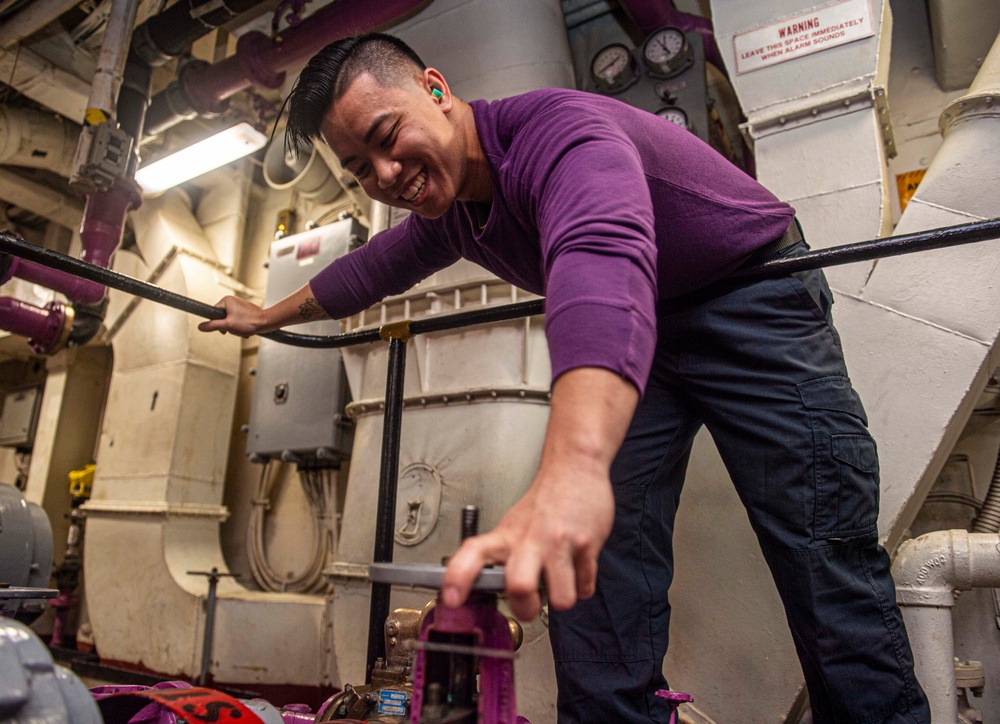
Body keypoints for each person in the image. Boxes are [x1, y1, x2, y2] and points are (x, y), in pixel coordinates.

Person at [199, 32, 930, 723]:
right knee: (594, 563)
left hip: (752, 297)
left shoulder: (562, 133)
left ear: (435, 89)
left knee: (820, 555)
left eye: (387, 138)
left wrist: (575, 466)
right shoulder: (453, 208)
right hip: (653, 327)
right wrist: (265, 316)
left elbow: (600, 262)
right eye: (360, 167)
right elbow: (370, 270)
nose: (385, 176)